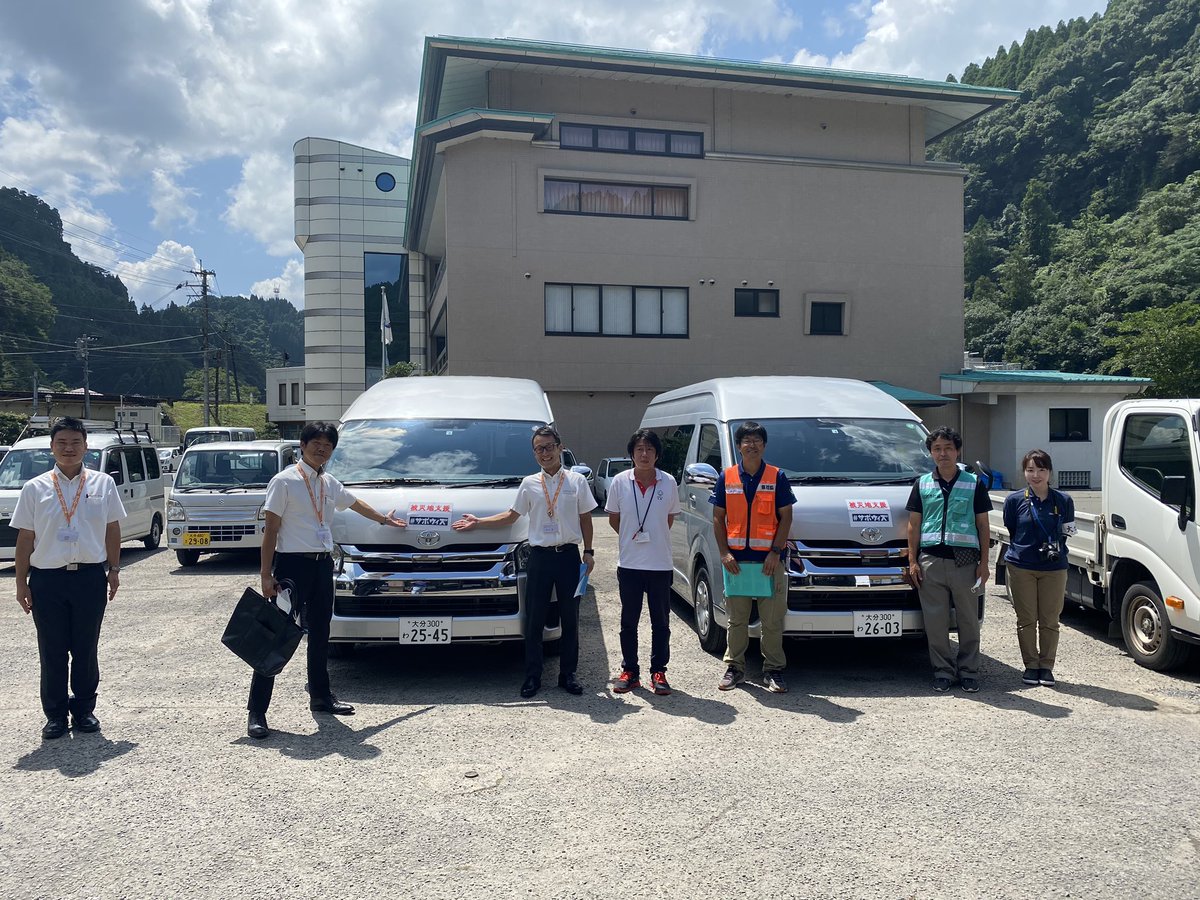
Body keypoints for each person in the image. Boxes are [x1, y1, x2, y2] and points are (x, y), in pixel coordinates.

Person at [247, 422, 406, 740]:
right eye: (316, 443)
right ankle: (257, 712)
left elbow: (355, 503)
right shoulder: (284, 481)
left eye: (328, 445)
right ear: (303, 445)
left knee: (321, 633)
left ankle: (321, 697)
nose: (322, 449)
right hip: (292, 567)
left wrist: (383, 519)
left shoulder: (329, 482)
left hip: (322, 566)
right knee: (276, 634)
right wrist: (266, 574)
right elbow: (271, 530)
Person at [452, 426, 597, 698]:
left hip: (568, 557)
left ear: (560, 447)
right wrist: (478, 522)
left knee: (570, 618)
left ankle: (568, 675)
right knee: (534, 619)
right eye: (539, 449)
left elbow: (586, 518)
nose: (545, 453)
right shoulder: (529, 484)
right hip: (539, 558)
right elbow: (511, 516)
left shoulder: (576, 481)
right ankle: (533, 676)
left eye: (549, 447)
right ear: (534, 453)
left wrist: (589, 552)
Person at [12, 417, 126, 739]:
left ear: (86, 447)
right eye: (61, 443)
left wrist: (114, 569)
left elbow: (112, 528)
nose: (69, 448)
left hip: (89, 577)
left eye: (76, 442)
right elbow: (25, 538)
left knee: (86, 647)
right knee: (52, 649)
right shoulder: (35, 488)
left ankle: (85, 709)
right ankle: (55, 715)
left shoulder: (103, 484)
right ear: (51, 448)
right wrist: (20, 583)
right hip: (47, 580)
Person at [906, 426, 991, 693]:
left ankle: (969, 672)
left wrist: (984, 564)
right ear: (931, 453)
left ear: (958, 451)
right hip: (931, 561)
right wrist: (913, 561)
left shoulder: (973, 483)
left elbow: (983, 525)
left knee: (968, 621)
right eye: (937, 449)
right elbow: (913, 525)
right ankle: (943, 671)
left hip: (965, 562)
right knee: (935, 622)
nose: (943, 454)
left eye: (948, 448)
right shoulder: (922, 484)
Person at [712, 421, 795, 693]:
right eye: (746, 440)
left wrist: (775, 552)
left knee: (771, 621)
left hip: (768, 563)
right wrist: (724, 553)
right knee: (737, 620)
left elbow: (786, 517)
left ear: (764, 445)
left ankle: (773, 670)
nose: (752, 445)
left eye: (757, 440)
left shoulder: (777, 476)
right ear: (738, 446)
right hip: (736, 563)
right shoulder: (726, 477)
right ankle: (734, 668)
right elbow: (718, 518)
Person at [605, 429, 682, 695]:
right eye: (639, 449)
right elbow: (614, 519)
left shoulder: (668, 482)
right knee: (629, 621)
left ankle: (659, 671)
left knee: (661, 622)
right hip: (629, 564)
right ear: (632, 454)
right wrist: (632, 537)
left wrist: (651, 538)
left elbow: (668, 519)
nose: (645, 454)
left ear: (657, 454)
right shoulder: (619, 481)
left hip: (660, 564)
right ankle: (630, 671)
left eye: (650, 449)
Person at [1002, 450, 1076, 687]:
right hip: (1021, 566)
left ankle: (1047, 666)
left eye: (1041, 470)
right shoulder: (1014, 500)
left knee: (1050, 619)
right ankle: (1031, 666)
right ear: (1024, 472)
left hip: (1054, 568)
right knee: (1026, 619)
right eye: (1030, 470)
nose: (1036, 475)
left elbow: (1068, 531)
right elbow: (1012, 529)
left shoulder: (1063, 501)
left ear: (1050, 472)